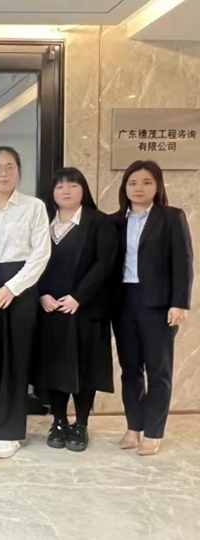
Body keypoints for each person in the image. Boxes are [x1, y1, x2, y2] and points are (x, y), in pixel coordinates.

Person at [0, 146, 51, 459]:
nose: (4, 173)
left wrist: (12, 288)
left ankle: (11, 432)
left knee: (16, 360)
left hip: (20, 286)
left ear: (19, 171)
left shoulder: (34, 207)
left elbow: (41, 254)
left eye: (10, 167)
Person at [112, 160, 193, 456]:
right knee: (130, 370)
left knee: (158, 370)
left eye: (146, 182)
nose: (139, 188)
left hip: (159, 305)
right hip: (123, 303)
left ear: (157, 186)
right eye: (132, 182)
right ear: (125, 187)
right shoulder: (115, 221)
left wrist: (179, 303)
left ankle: (153, 431)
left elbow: (184, 262)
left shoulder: (171, 218)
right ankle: (134, 426)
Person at [35, 168, 118, 452]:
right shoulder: (42, 221)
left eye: (72, 185)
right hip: (49, 310)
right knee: (54, 367)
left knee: (85, 368)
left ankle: (81, 424)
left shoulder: (99, 222)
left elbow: (105, 263)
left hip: (86, 310)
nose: (66, 190)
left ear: (83, 189)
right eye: (60, 186)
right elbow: (30, 260)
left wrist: (79, 297)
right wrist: (41, 294)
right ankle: (58, 421)